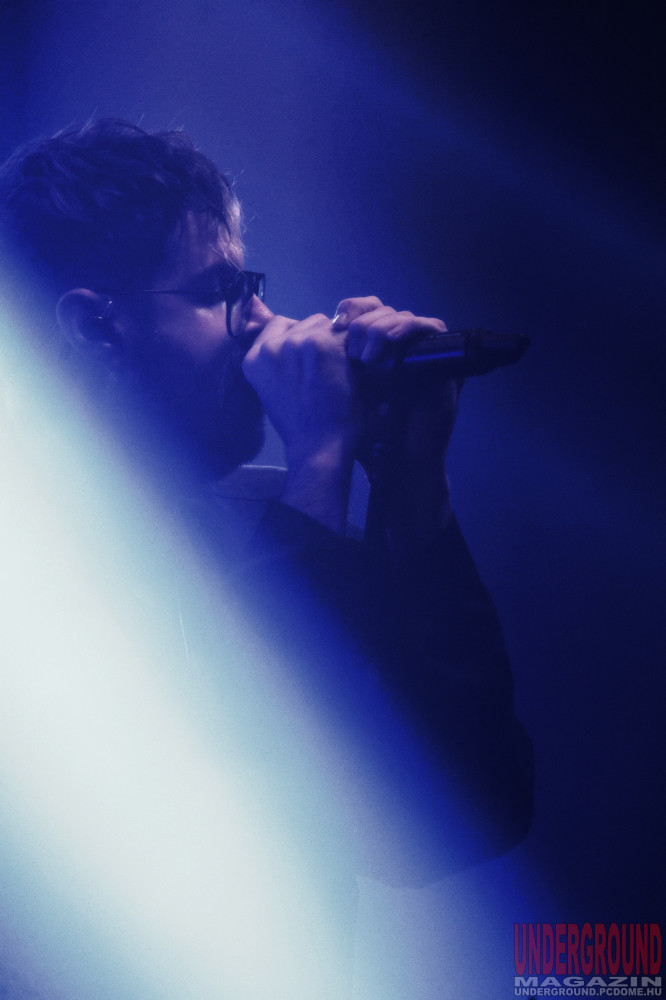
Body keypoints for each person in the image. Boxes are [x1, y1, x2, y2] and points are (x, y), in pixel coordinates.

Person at [0, 119, 532, 997]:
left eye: (253, 287)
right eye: (223, 291)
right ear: (96, 325)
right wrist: (320, 462)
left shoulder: (266, 525)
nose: (267, 324)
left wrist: (413, 489)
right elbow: (214, 840)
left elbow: (474, 810)